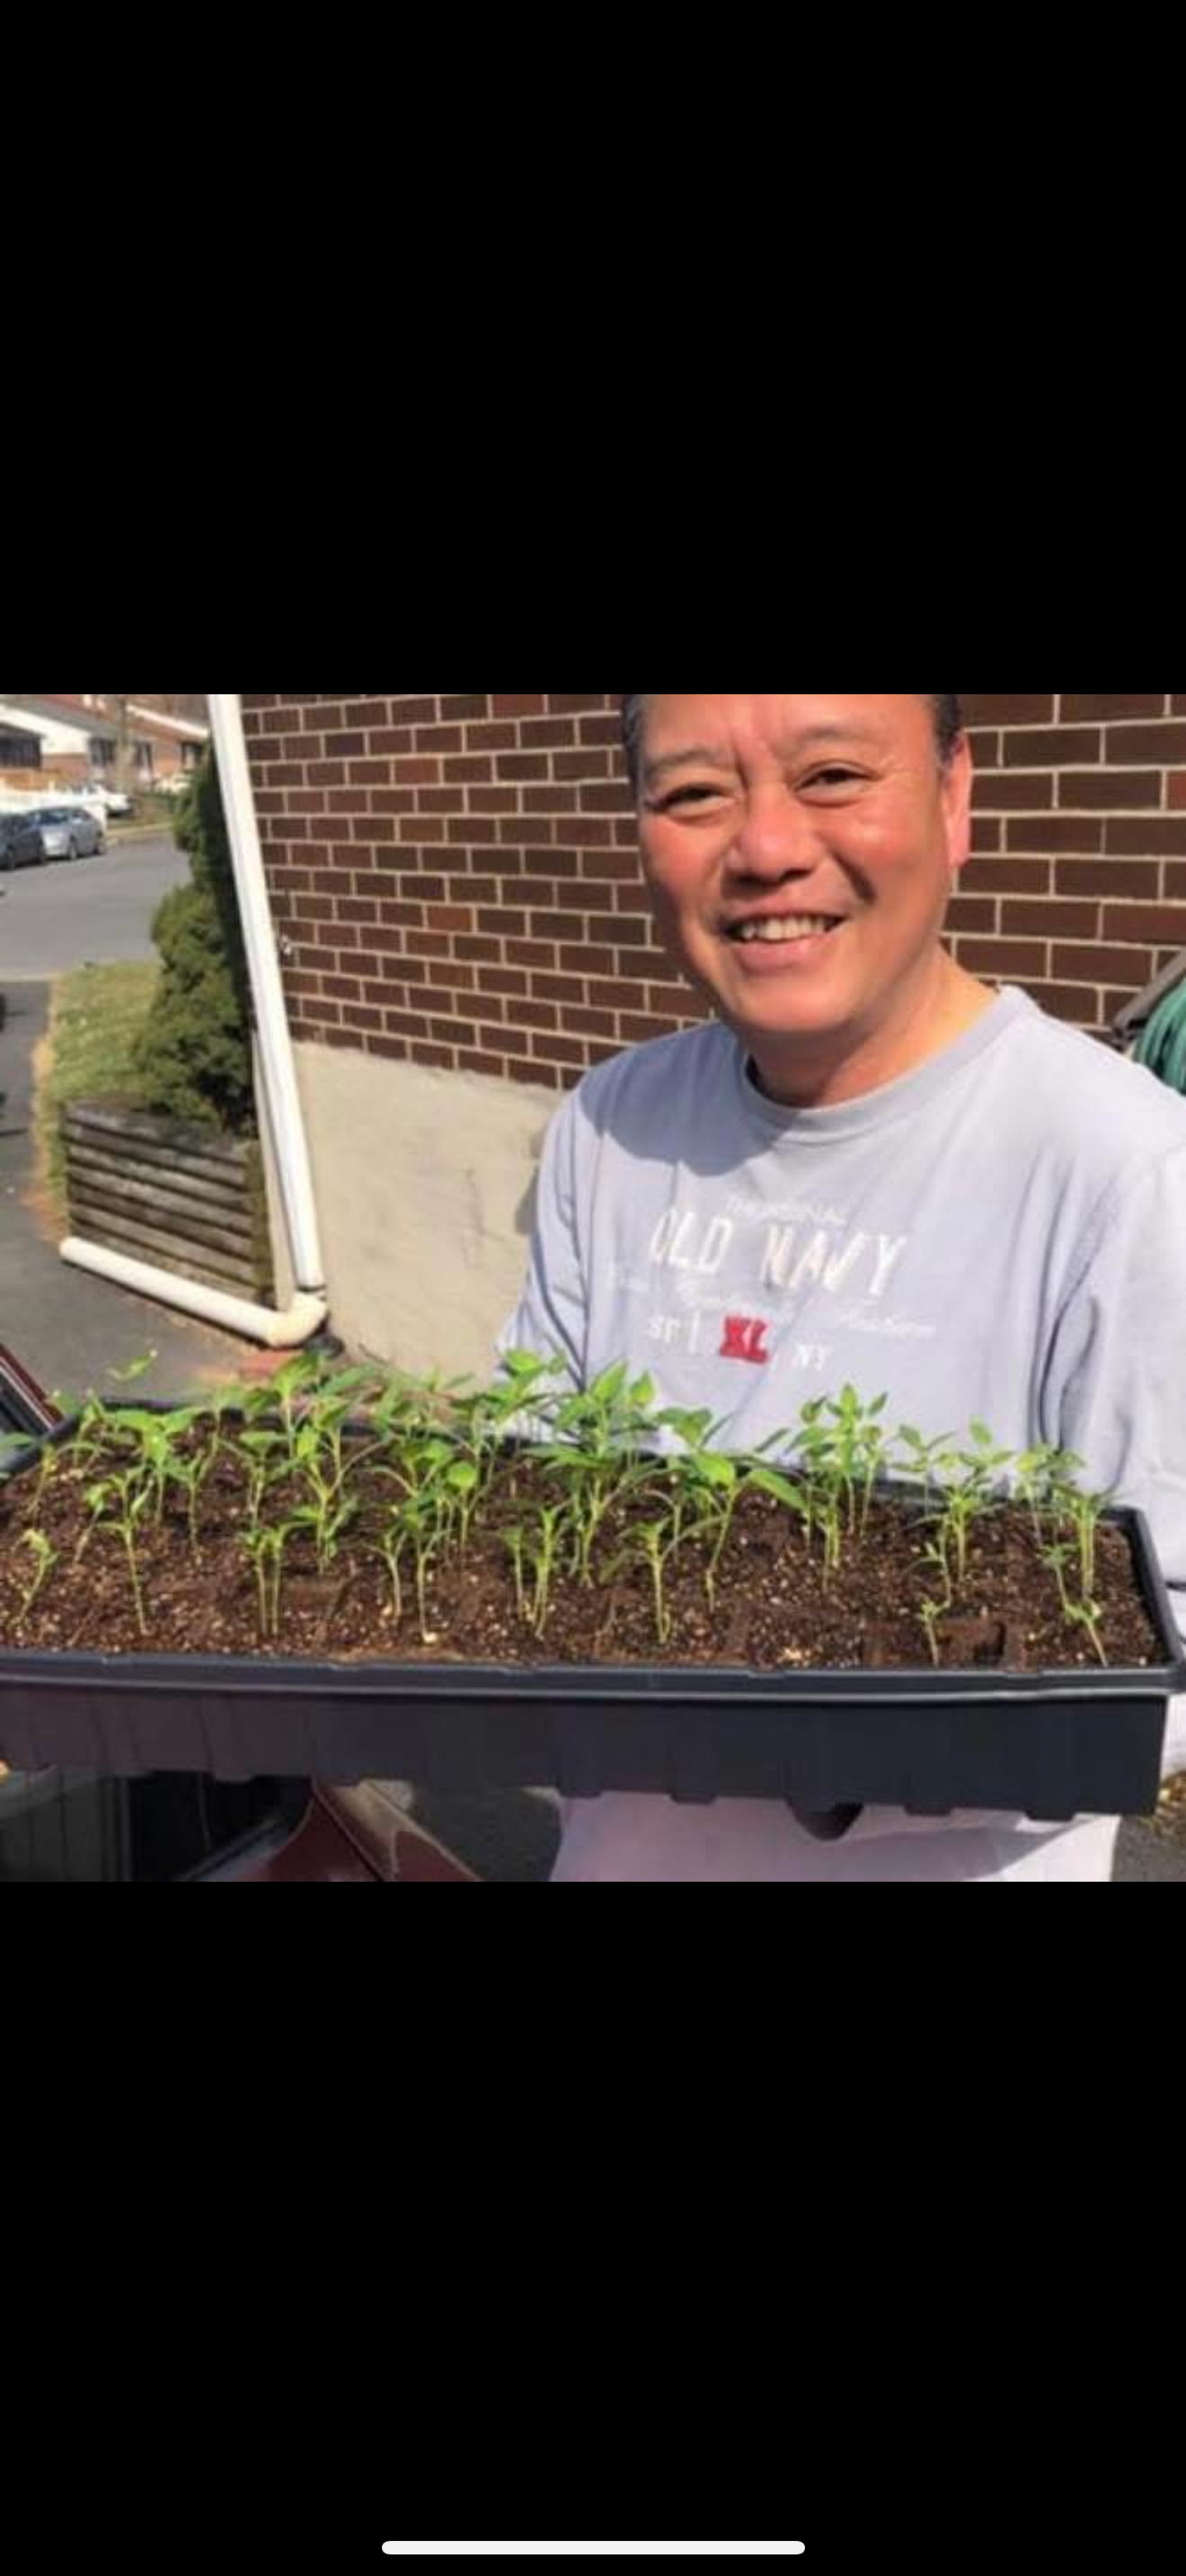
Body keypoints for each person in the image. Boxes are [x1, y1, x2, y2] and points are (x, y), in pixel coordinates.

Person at [500, 695, 1186, 1881]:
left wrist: (828, 1752)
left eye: (831, 776)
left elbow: (1168, 1646)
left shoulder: (1125, 1167)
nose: (767, 848)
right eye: (694, 793)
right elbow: (519, 1489)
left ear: (954, 797)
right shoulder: (612, 1123)